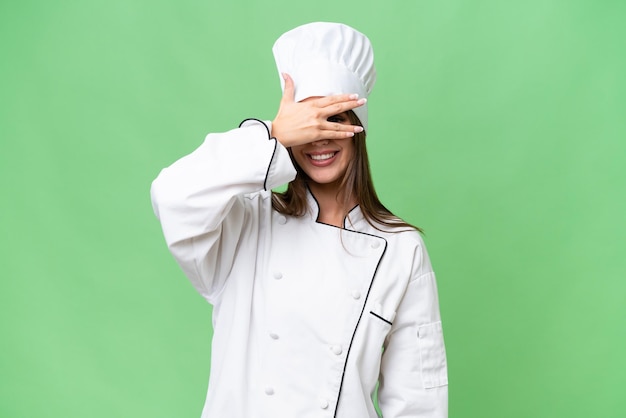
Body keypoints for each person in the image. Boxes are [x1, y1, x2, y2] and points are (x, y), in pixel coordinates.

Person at [151, 22, 448, 418]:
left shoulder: (400, 248)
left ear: (358, 128)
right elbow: (172, 194)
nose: (319, 139)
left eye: (334, 120)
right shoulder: (246, 223)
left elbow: (418, 401)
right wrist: (271, 133)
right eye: (307, 125)